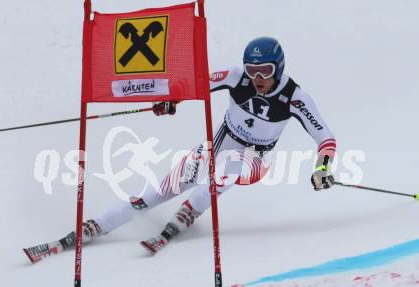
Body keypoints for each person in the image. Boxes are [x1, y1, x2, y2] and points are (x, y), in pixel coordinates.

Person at [24, 37, 336, 261]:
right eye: (252, 70)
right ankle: (94, 227)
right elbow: (195, 83)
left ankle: (188, 212)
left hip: (254, 160)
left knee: (224, 169)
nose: (257, 79)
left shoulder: (295, 98)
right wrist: (170, 100)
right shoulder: (236, 76)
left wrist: (322, 168)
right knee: (157, 191)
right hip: (218, 146)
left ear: (278, 69)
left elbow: (326, 138)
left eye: (265, 71)